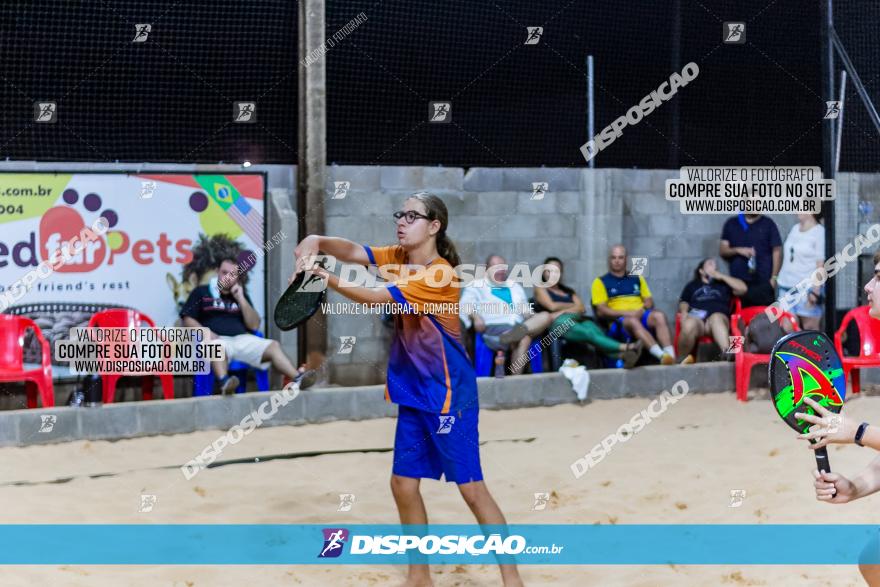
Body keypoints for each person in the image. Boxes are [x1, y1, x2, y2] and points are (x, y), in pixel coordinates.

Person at [291, 192, 523, 587]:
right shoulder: (398, 257)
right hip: (414, 392)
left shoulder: (440, 274)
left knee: (472, 491)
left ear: (434, 227)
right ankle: (419, 576)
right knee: (401, 483)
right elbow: (354, 251)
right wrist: (317, 241)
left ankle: (512, 580)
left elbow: (373, 297)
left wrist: (323, 276)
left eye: (413, 216)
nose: (402, 221)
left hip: (449, 396)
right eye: (401, 214)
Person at [180, 257, 313, 394]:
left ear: (237, 278)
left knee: (273, 346)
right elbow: (187, 319)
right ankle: (225, 383)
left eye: (232, 275)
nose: (227, 277)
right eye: (224, 272)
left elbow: (254, 325)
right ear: (217, 272)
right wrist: (205, 332)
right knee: (216, 347)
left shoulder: (241, 295)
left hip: (242, 340)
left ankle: (298, 379)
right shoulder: (201, 292)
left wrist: (241, 299)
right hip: (218, 340)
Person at [534, 256, 642, 368]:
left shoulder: (568, 291)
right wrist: (572, 307)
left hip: (577, 319)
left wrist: (563, 310)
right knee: (588, 333)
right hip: (557, 324)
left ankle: (623, 356)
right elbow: (552, 306)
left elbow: (581, 308)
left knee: (594, 330)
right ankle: (628, 348)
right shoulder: (541, 288)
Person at [459, 254, 555, 374]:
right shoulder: (477, 285)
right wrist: (476, 316)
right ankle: (515, 380)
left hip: (517, 326)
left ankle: (512, 337)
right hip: (494, 328)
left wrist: (531, 316)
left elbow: (524, 309)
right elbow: (465, 305)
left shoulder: (514, 286)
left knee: (546, 316)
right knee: (525, 337)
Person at [591, 244, 682, 365]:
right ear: (609, 260)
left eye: (620, 257)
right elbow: (601, 310)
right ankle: (661, 356)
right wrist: (629, 313)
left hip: (640, 314)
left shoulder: (637, 278)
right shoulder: (600, 281)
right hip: (619, 322)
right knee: (632, 320)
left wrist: (642, 310)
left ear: (626, 259)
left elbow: (649, 300)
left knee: (659, 315)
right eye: (614, 258)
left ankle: (671, 357)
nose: (617, 261)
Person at [677, 258, 746, 362]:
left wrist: (721, 276)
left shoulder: (722, 284)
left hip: (717, 319)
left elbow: (743, 289)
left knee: (716, 318)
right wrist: (684, 313)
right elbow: (684, 301)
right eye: (710, 264)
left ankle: (727, 355)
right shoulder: (692, 285)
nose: (713, 266)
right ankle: (681, 360)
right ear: (701, 271)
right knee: (689, 324)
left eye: (715, 265)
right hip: (698, 320)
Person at [719, 213, 782, 307]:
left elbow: (777, 251)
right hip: (739, 284)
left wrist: (774, 279)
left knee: (766, 319)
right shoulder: (732, 223)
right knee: (741, 318)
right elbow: (723, 250)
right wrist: (738, 250)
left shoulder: (768, 223)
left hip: (764, 284)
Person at [776, 213, 826, 330]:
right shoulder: (795, 228)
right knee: (787, 329)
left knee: (810, 329)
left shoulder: (819, 232)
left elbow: (820, 264)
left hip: (806, 290)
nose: (797, 211)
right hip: (786, 288)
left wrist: (816, 291)